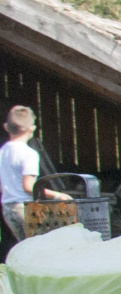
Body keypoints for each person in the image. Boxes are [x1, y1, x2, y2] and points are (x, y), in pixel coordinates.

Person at [2, 107, 70, 250]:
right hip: (24, 208)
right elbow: (29, 187)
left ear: (6, 127)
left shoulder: (2, 152)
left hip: (8, 208)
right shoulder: (28, 154)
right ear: (31, 128)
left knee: (24, 247)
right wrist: (58, 195)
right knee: (38, 249)